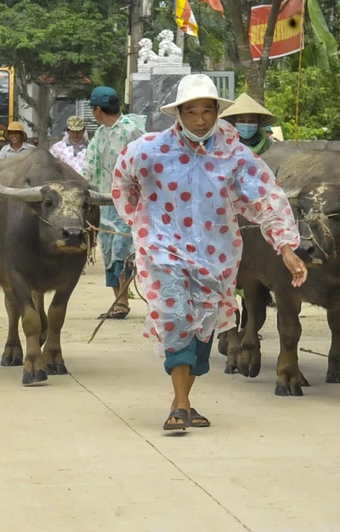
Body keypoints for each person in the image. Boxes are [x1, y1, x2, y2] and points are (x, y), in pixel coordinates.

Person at [111, 74, 307, 431]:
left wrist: (286, 247)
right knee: (176, 318)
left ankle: (181, 401)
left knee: (202, 329)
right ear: (178, 114)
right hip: (163, 250)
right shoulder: (149, 150)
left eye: (207, 111)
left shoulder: (234, 156)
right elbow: (122, 179)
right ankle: (182, 404)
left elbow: (267, 199)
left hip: (216, 256)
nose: (199, 119)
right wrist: (138, 220)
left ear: (217, 112)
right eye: (191, 111)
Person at [82, 86, 147, 320]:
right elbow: (90, 165)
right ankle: (117, 299)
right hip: (105, 204)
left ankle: (123, 301)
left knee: (124, 251)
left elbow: (146, 163)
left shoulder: (132, 131)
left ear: (97, 109)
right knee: (109, 251)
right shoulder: (100, 134)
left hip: (130, 203)